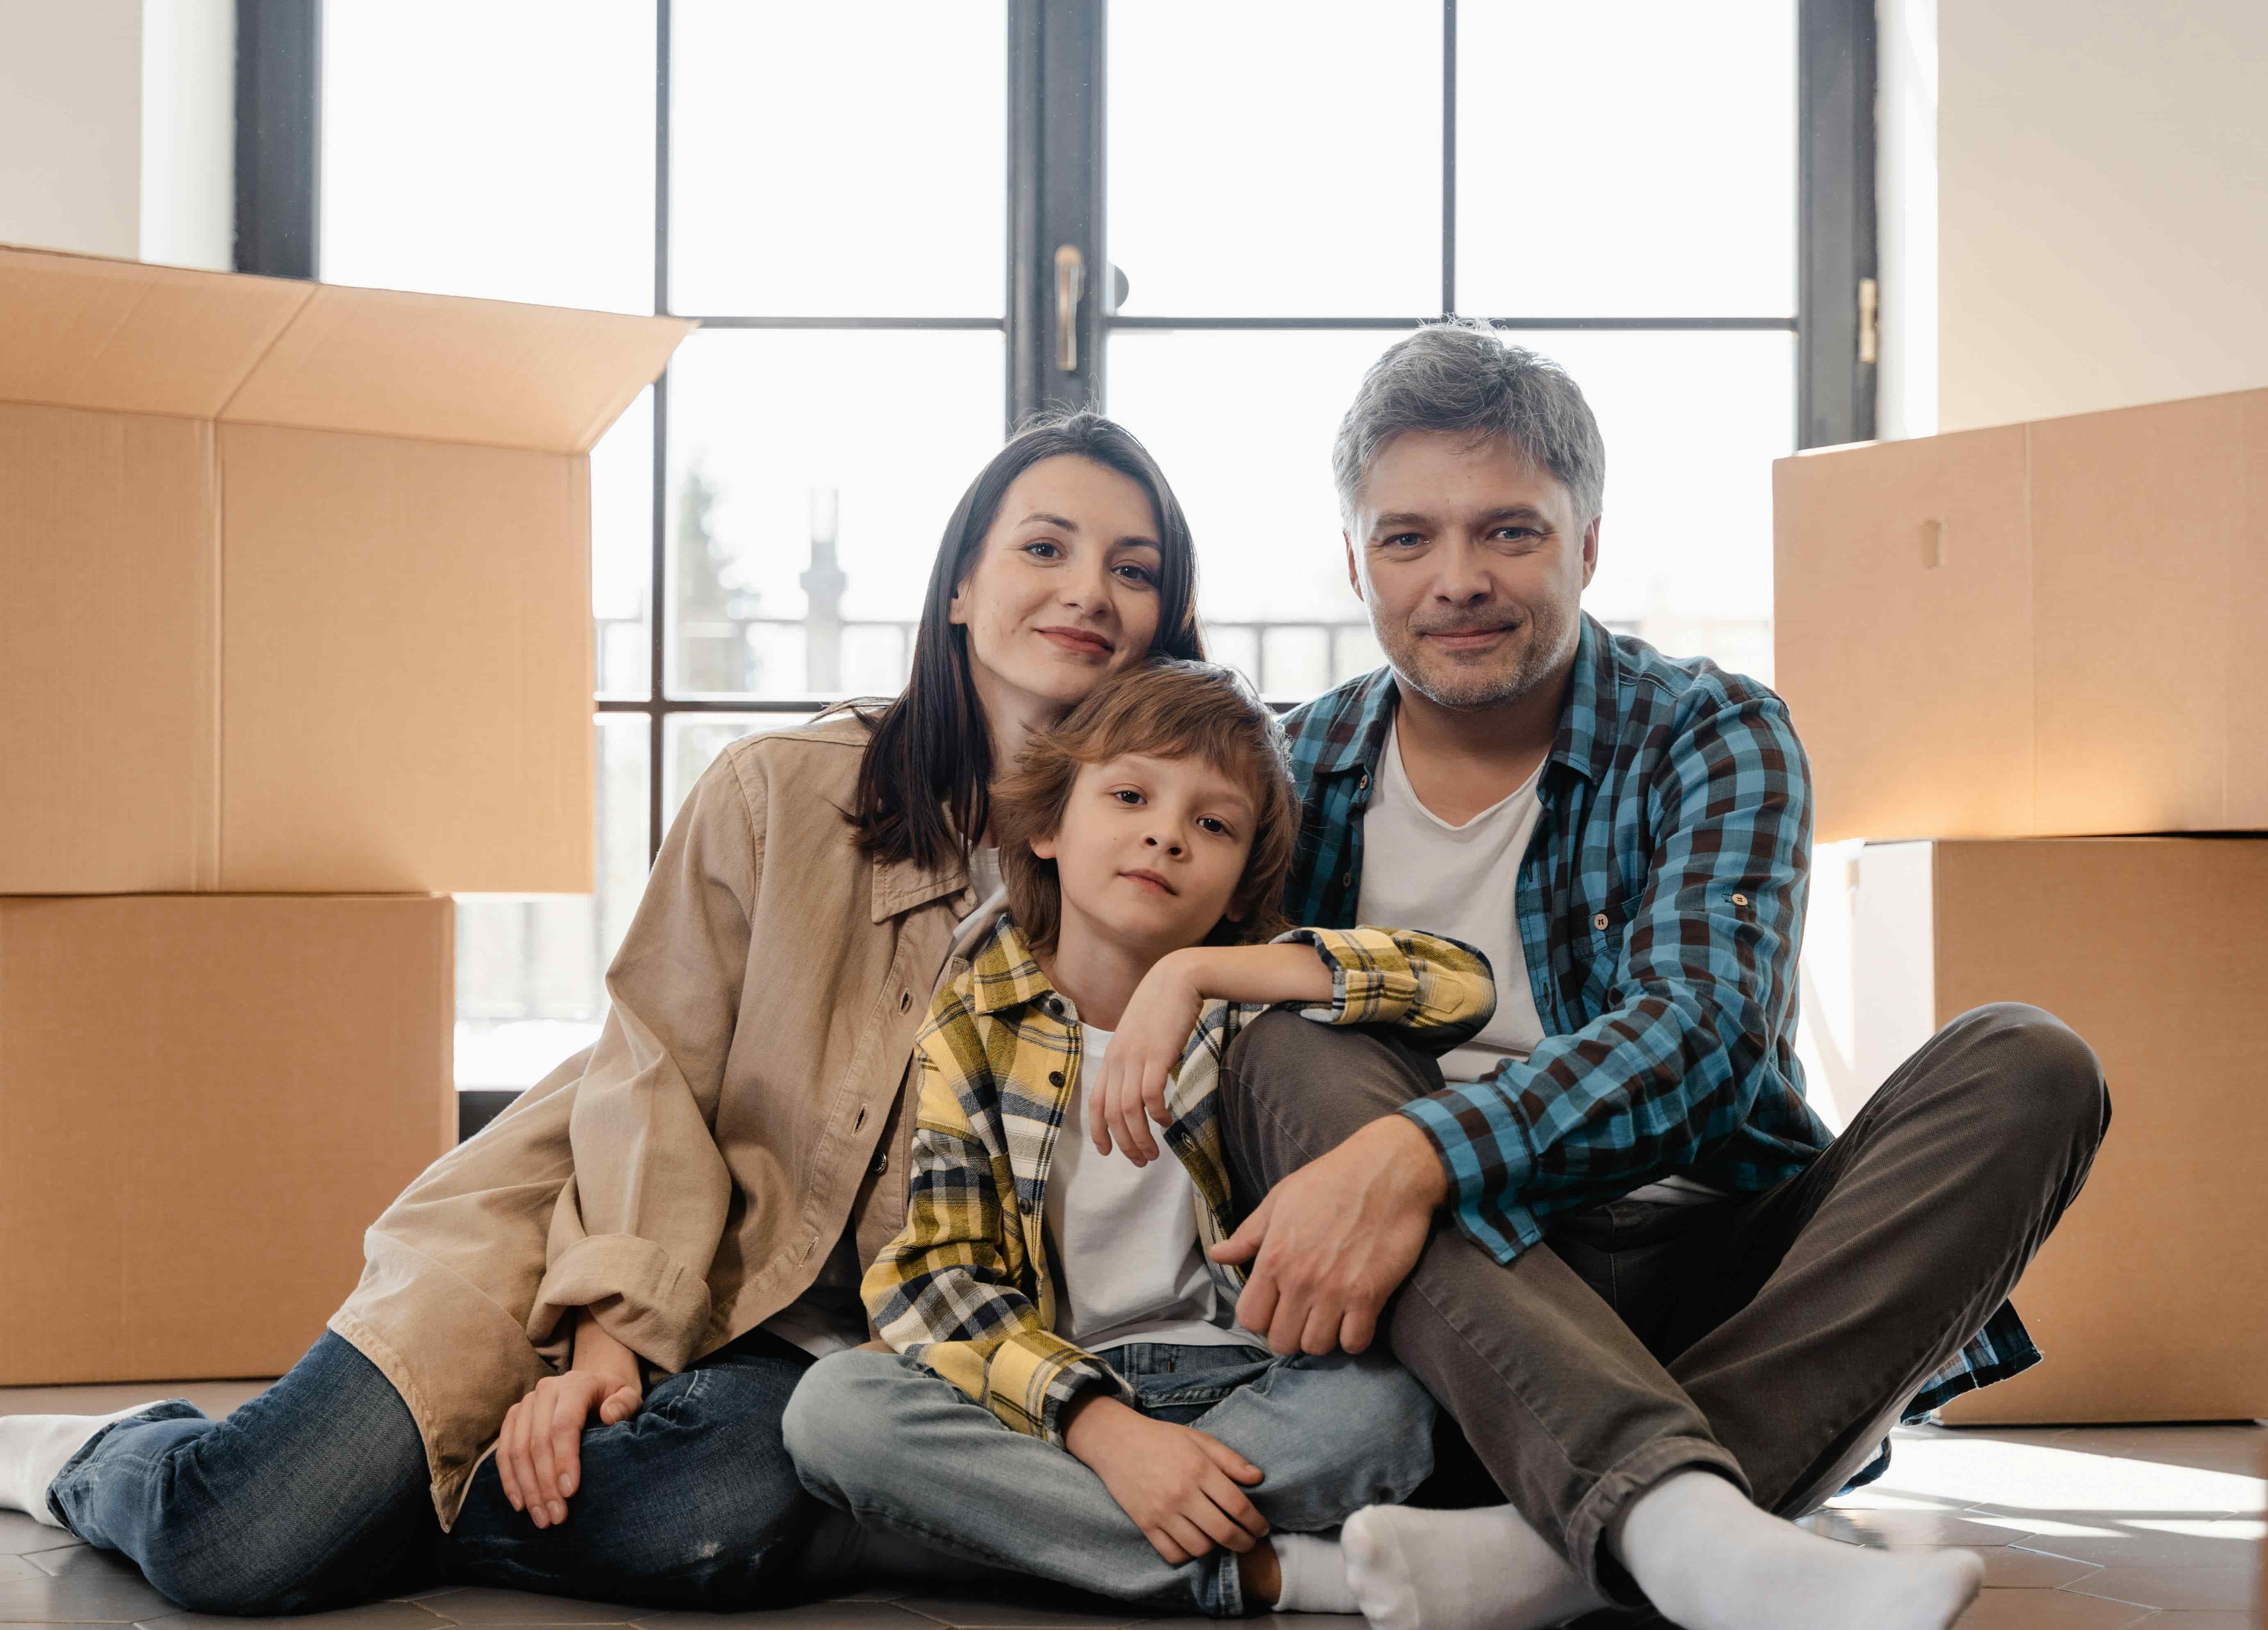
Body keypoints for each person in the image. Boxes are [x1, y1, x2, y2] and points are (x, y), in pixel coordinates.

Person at [0, 413, 1206, 1615]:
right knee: (239, 1542)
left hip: (812, 1346)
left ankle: (382, 1512)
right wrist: (608, 1338)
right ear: (959, 588)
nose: (1088, 591)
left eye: (1133, 569)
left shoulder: (1168, 866)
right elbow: (653, 1073)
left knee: (707, 1522)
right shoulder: (780, 792)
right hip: (579, 1226)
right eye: (1045, 550)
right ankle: (93, 1459)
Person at [1205, 322, 2113, 1630]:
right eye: (1408, 538)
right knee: (1285, 1035)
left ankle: (1554, 1545)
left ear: (1585, 544)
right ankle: (1695, 1526)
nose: (1456, 578)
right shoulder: (1292, 770)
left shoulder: (1708, 727)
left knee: (2031, 1064)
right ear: (1355, 561)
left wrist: (1414, 1155)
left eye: (1508, 532)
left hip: (1715, 1256)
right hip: (1459, 1295)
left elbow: (1701, 1040)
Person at [783, 660, 1497, 1618]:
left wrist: (1202, 972)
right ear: (1047, 827)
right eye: (1129, 795)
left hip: (1253, 1378)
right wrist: (1104, 1428)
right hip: (1055, 1397)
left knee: (1391, 1404)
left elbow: (1461, 984)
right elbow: (934, 1274)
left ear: (1244, 884)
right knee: (838, 1411)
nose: (1167, 832)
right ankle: (1276, 1572)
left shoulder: (1250, 1005)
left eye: (1214, 824)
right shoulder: (976, 1014)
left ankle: (1040, 1538)